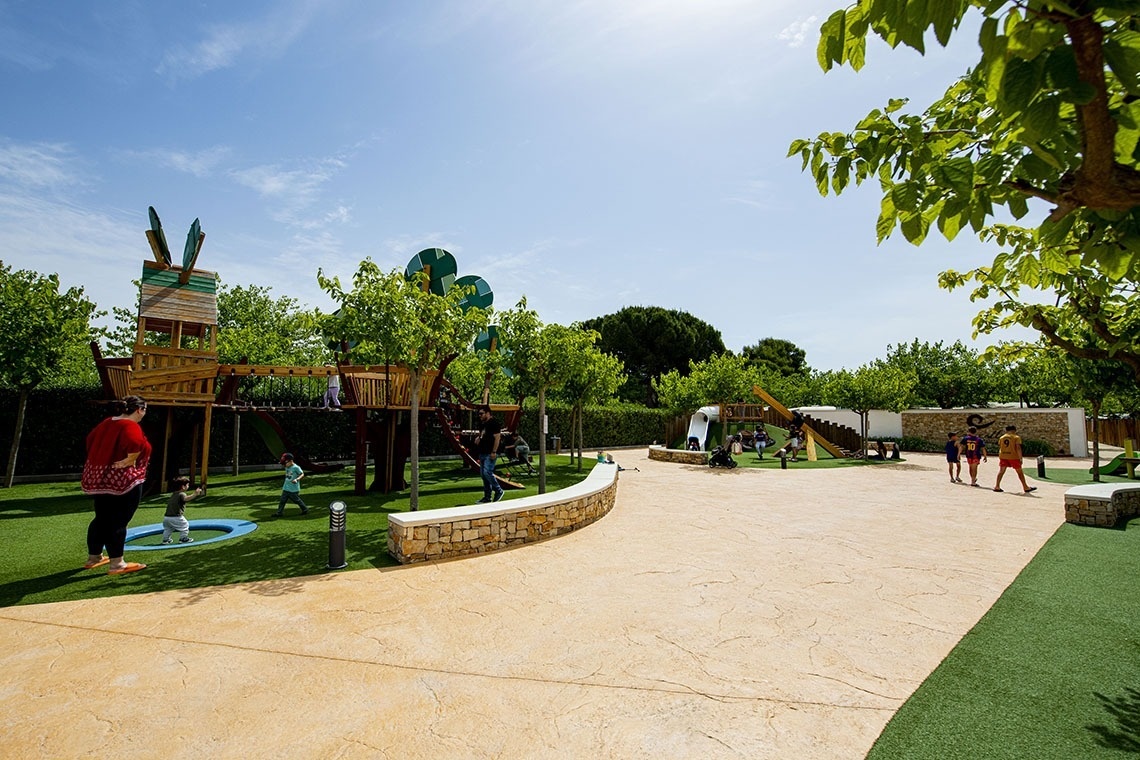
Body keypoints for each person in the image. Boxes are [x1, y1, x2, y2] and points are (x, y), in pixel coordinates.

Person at [80, 395, 152, 575]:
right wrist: (130, 459)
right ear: (139, 410)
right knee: (119, 520)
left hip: (100, 478)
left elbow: (89, 440)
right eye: (145, 410)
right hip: (123, 480)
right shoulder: (130, 426)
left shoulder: (107, 423)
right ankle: (117, 563)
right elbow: (134, 443)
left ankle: (94, 557)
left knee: (101, 517)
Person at [473, 405, 504, 503]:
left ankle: (498, 490)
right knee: (484, 475)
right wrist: (479, 438)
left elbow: (497, 438)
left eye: (481, 414)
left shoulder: (494, 423)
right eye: (479, 414)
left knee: (487, 472)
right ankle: (487, 496)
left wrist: (494, 451)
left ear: (488, 413)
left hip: (490, 452)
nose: (480, 416)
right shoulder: (483, 424)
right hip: (483, 451)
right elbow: (482, 434)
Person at [994, 425, 1037, 494]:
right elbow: (1018, 448)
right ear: (1014, 430)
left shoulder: (1002, 437)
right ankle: (1025, 487)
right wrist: (1020, 458)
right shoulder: (1016, 437)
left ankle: (997, 486)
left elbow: (1001, 446)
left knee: (1001, 471)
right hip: (1013, 457)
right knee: (1019, 472)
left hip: (1003, 456)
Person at [162, 476, 203, 544]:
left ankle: (166, 539)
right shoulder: (181, 494)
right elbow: (186, 499)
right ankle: (183, 538)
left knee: (168, 528)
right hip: (176, 516)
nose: (188, 486)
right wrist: (195, 494)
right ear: (183, 487)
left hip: (167, 517)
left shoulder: (174, 494)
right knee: (185, 525)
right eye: (187, 485)